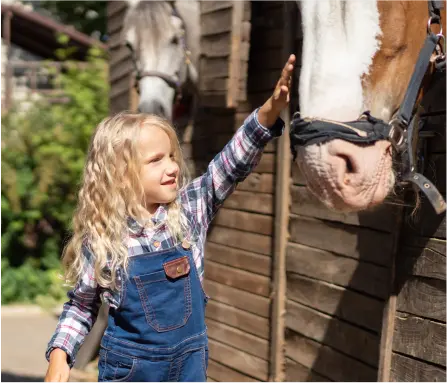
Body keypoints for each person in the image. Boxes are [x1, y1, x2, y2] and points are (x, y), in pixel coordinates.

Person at [44, 54, 296, 383]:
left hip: (189, 366)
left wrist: (267, 115)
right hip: (131, 370)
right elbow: (81, 306)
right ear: (120, 174)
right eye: (157, 160)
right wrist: (61, 355)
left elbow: (229, 165)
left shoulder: (189, 210)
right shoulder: (104, 238)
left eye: (172, 156)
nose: (173, 167)